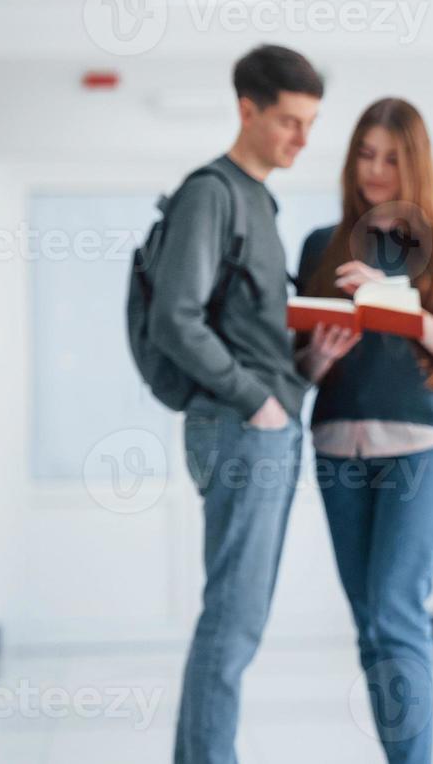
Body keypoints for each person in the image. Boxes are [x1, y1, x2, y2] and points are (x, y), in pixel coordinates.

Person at [295, 97, 433, 764]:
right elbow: (305, 369)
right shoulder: (321, 243)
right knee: (370, 628)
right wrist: (321, 352)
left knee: (395, 611)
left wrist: (392, 304)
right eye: (365, 155)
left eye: (390, 157)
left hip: (421, 450)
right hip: (336, 448)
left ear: (415, 164)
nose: (374, 170)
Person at [155, 44, 324, 764]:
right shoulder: (212, 193)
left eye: (310, 123)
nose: (301, 139)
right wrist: (257, 399)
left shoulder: (260, 200)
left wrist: (307, 366)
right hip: (238, 427)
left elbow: (247, 330)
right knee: (232, 617)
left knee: (241, 617)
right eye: (288, 120)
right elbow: (176, 317)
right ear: (246, 110)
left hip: (266, 424)